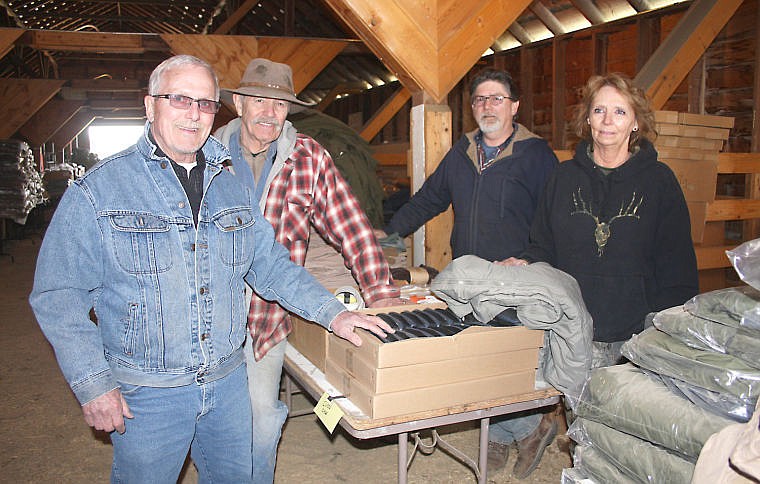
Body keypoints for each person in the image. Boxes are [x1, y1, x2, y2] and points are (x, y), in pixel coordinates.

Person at [28, 54, 392, 483]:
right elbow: (58, 295)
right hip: (149, 393)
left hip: (226, 382)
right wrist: (93, 384)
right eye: (179, 99)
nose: (193, 113)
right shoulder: (99, 191)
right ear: (150, 106)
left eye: (203, 103)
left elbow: (271, 265)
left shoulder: (229, 184)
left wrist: (334, 312)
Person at [214, 58, 402, 483]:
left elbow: (352, 225)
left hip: (266, 312)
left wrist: (382, 294)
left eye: (279, 105)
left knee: (261, 418)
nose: (269, 113)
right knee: (207, 418)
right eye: (259, 100)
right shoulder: (207, 158)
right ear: (239, 103)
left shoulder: (308, 157)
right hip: (210, 314)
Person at [380, 69, 559, 479]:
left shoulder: (536, 156)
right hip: (470, 274)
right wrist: (390, 231)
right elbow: (430, 198)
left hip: (515, 276)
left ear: (514, 107)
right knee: (480, 357)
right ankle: (507, 431)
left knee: (505, 359)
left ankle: (528, 427)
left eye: (497, 99)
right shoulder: (462, 153)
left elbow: (554, 216)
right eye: (480, 100)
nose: (487, 107)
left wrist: (532, 258)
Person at [500, 72, 699, 368]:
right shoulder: (563, 178)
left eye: (619, 112)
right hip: (571, 331)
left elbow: (678, 266)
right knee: (577, 412)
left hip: (634, 339)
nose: (607, 121)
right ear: (588, 120)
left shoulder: (659, 182)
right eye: (599, 111)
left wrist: (665, 336)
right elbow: (542, 246)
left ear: (635, 123)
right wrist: (524, 263)